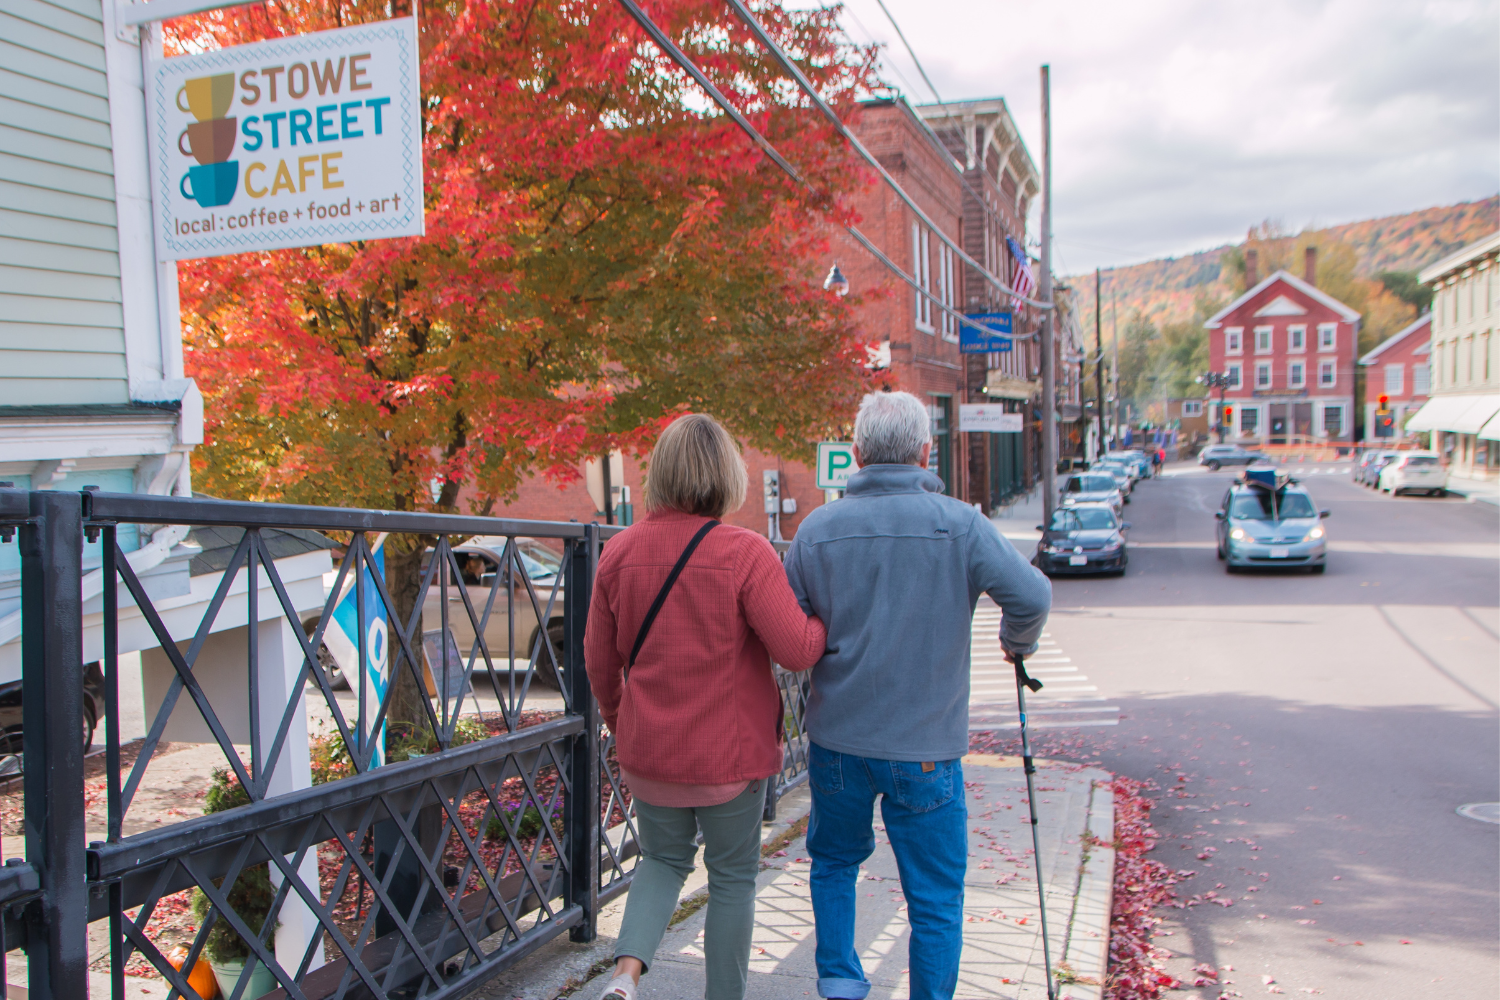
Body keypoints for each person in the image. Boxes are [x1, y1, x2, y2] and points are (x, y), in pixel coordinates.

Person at [784, 391, 1051, 1000]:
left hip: (838, 741)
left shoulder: (817, 530)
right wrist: (1016, 645)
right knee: (934, 899)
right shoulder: (960, 524)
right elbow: (1031, 598)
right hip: (926, 747)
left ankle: (842, 985)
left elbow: (791, 632)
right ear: (927, 451)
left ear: (856, 453)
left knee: (833, 864)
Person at [585, 413, 827, 1000]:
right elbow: (796, 652)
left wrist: (625, 727)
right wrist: (822, 621)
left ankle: (623, 978)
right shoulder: (744, 553)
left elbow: (599, 663)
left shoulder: (618, 554)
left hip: (651, 756)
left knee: (661, 862)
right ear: (726, 476)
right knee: (733, 880)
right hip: (730, 757)